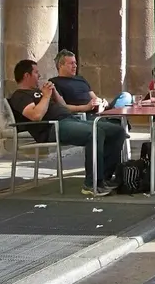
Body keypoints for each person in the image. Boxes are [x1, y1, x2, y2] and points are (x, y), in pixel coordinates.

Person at [8, 59, 127, 197]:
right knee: (95, 133)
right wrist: (46, 96)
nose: (39, 76)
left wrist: (54, 93)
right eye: (36, 72)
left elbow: (63, 106)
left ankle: (104, 178)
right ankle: (91, 184)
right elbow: (36, 115)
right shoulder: (20, 96)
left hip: (70, 120)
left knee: (117, 131)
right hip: (52, 127)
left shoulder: (39, 92)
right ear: (26, 75)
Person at [49, 50, 106, 115]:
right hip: (79, 116)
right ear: (60, 65)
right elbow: (62, 107)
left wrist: (101, 102)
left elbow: (94, 97)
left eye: (75, 63)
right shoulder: (55, 82)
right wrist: (86, 107)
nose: (75, 66)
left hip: (97, 113)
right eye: (71, 63)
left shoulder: (81, 79)